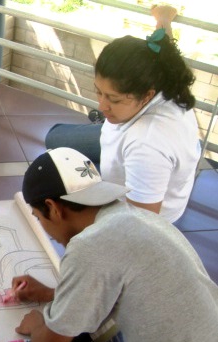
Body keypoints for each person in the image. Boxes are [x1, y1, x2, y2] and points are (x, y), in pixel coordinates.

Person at [0, 148, 218, 342]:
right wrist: (52, 294)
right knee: (72, 336)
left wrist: (39, 323)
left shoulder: (89, 246)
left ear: (53, 207)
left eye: (38, 217)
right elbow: (113, 286)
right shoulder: (139, 220)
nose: (45, 228)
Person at [44, 5, 200, 223]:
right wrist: (163, 18)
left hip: (146, 199)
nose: (102, 105)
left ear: (147, 96)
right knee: (54, 137)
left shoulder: (146, 145)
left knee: (63, 160)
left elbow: (142, 223)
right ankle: (108, 131)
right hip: (119, 131)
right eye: (99, 92)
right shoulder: (166, 76)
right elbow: (164, 45)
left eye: (114, 99)